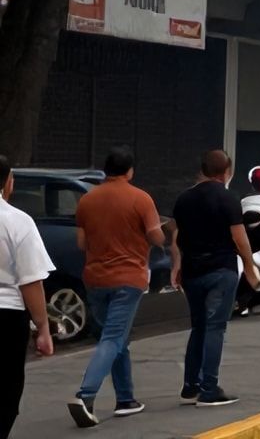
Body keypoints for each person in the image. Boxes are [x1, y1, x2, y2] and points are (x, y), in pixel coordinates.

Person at [68, 145, 164, 427]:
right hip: (128, 278)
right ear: (130, 171)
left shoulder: (87, 200)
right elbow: (156, 238)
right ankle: (85, 396)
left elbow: (81, 243)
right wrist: (165, 231)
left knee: (115, 337)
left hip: (95, 279)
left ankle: (126, 398)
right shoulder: (140, 199)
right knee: (112, 338)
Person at [171, 149, 259, 408]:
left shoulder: (184, 199)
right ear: (226, 172)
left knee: (198, 326)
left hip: (192, 271)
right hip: (220, 269)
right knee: (215, 327)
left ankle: (191, 385)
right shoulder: (228, 198)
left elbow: (176, 237)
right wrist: (251, 269)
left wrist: (176, 265)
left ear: (203, 169)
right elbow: (239, 238)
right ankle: (209, 388)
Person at [0, 156, 54, 439]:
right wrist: (43, 328)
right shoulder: (17, 221)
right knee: (6, 391)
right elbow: (31, 281)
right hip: (6, 316)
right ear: (9, 182)